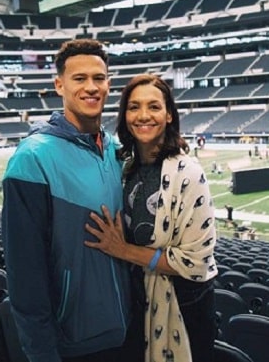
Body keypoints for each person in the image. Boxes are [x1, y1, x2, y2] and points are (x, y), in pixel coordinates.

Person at [1, 39, 137, 362]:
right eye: (80, 79)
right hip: (75, 345)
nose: (91, 87)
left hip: (127, 333)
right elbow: (25, 278)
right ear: (59, 84)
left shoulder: (116, 149)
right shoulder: (31, 159)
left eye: (99, 78)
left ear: (108, 84)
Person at [85, 74, 218, 362]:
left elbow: (195, 263)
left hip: (184, 306)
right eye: (134, 107)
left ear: (169, 114)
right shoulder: (123, 168)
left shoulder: (189, 173)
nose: (143, 115)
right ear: (124, 116)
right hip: (135, 301)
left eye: (154, 107)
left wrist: (123, 250)